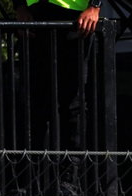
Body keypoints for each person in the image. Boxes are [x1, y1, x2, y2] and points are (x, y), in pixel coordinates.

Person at [14, 0, 101, 154]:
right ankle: (32, 173)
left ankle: (69, 174)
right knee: (33, 102)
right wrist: (19, 7)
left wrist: (94, 6)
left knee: (73, 102)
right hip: (35, 15)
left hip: (75, 18)